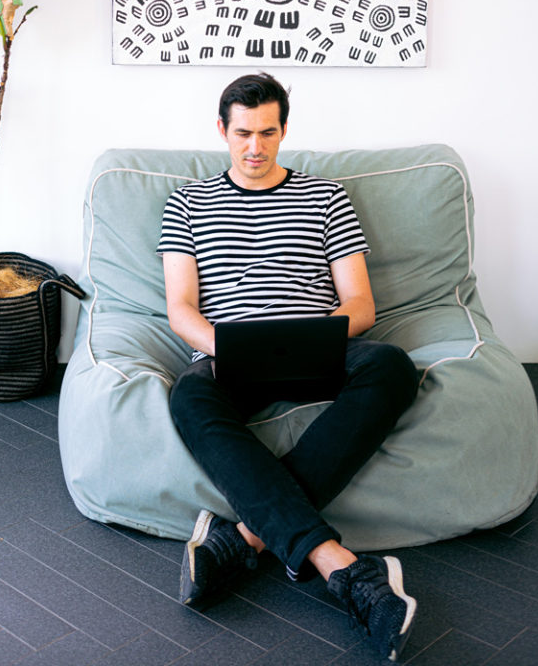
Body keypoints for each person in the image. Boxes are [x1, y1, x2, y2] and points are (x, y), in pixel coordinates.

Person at [157, 73, 420, 662]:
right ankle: (344, 569)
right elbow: (182, 310)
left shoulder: (326, 196)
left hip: (315, 347)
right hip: (230, 353)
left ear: (284, 131)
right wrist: (230, 347)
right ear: (222, 131)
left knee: (393, 367)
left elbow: (360, 305)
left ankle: (245, 538)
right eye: (243, 133)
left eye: (268, 132)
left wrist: (314, 333)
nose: (256, 146)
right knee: (188, 397)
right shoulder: (186, 201)